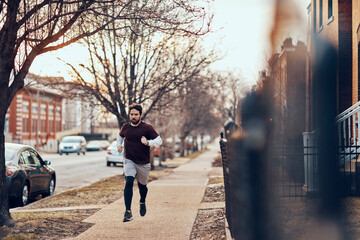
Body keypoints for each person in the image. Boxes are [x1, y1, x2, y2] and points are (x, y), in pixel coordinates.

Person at [116, 103, 162, 222]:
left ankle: (142, 201)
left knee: (142, 187)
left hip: (144, 162)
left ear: (140, 115)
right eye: (132, 114)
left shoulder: (147, 128)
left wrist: (148, 143)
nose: (134, 116)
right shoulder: (126, 127)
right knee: (129, 181)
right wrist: (119, 145)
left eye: (136, 114)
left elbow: (159, 140)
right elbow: (119, 136)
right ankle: (128, 212)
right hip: (129, 160)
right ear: (129, 115)